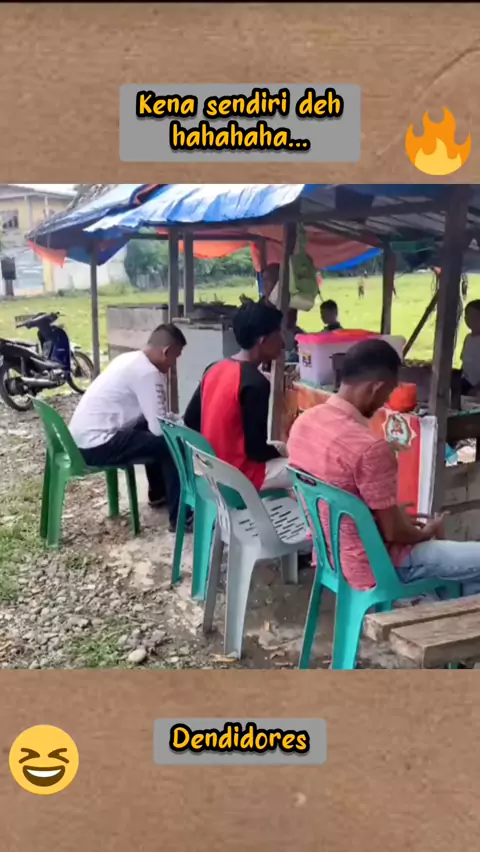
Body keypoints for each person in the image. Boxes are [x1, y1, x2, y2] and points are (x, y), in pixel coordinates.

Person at [287, 338, 480, 596]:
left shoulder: (304, 423)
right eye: (388, 392)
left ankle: (443, 605)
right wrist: (427, 532)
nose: (386, 400)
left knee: (465, 581)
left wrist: (398, 521)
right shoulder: (369, 448)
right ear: (375, 387)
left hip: (333, 557)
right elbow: (395, 533)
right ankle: (440, 606)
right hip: (377, 565)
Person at [69, 323, 187, 532]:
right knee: (170, 443)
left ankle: (159, 494)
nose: (173, 365)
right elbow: (159, 429)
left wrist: (172, 419)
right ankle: (181, 517)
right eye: (175, 358)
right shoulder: (148, 373)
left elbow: (152, 418)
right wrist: (182, 428)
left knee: (147, 430)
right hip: (96, 446)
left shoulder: (128, 359)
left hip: (80, 440)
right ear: (166, 352)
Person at [184, 299, 292, 492]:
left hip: (211, 467)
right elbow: (257, 451)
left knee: (284, 451)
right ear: (262, 341)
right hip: (239, 476)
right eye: (278, 334)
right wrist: (286, 452)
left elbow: (191, 420)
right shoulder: (255, 383)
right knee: (307, 470)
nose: (283, 343)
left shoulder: (214, 368)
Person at [460, 299, 480, 396]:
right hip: (466, 382)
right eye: (468, 315)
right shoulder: (468, 338)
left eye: (475, 317)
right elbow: (464, 363)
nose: (470, 319)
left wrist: (477, 388)